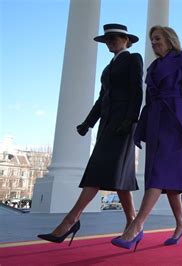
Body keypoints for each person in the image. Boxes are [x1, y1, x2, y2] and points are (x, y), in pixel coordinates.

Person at [38, 23, 143, 246]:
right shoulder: (107, 69)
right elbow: (101, 100)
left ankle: (70, 220)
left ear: (126, 40)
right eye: (107, 39)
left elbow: (137, 92)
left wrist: (130, 120)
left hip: (123, 126)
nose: (110, 42)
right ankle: (133, 223)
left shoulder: (133, 59)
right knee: (120, 177)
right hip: (107, 125)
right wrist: (88, 123)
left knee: (97, 171)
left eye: (115, 38)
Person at [111, 25, 182, 251]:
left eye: (157, 39)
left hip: (176, 124)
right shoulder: (153, 67)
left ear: (170, 39)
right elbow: (148, 103)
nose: (154, 43)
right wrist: (140, 130)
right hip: (156, 124)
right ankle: (181, 223)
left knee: (158, 176)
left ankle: (136, 227)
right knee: (169, 182)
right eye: (152, 40)